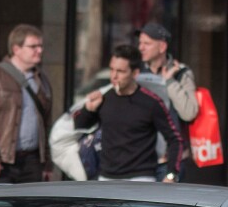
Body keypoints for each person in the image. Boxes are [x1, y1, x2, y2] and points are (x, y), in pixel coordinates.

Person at [74, 44, 185, 183]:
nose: (114, 76)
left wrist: (171, 175)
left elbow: (175, 139)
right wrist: (89, 109)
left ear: (135, 73)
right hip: (106, 178)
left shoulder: (151, 102)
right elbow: (79, 125)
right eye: (112, 69)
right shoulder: (105, 98)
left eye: (120, 71)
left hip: (141, 179)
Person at [0, 24, 53, 183]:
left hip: (32, 162)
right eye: (33, 46)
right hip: (1, 162)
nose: (39, 50)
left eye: (41, 46)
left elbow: (46, 124)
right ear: (16, 49)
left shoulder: (42, 80)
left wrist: (47, 163)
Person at [136, 22, 197, 180]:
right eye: (140, 43)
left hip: (171, 161)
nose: (141, 47)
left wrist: (169, 82)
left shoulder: (181, 72)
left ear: (162, 47)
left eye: (147, 43)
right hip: (141, 159)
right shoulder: (136, 72)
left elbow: (189, 112)